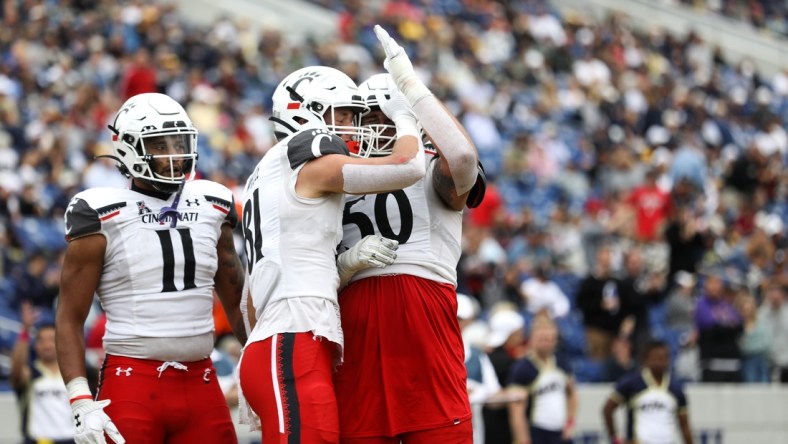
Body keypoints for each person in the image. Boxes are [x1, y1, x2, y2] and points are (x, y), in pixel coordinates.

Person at [238, 63, 426, 444]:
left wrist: (346, 263)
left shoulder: (270, 174)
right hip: (291, 342)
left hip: (286, 338)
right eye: (339, 113)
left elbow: (254, 296)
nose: (350, 124)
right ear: (303, 112)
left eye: (352, 115)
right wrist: (406, 118)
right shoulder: (306, 154)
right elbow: (408, 166)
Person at [56, 92, 248, 444]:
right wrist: (80, 399)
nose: (174, 154)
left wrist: (257, 368)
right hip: (132, 382)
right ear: (129, 148)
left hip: (202, 380)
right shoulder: (100, 212)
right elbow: (69, 315)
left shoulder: (213, 203)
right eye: (161, 145)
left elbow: (236, 301)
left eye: (179, 143)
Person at [332, 25, 485, 443]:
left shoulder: (434, 165)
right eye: (367, 118)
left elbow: (464, 156)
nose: (373, 128)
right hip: (353, 328)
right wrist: (346, 265)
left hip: (423, 321)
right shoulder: (336, 175)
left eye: (383, 116)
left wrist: (411, 89)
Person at [602, 340, 694, 444]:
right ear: (645, 360)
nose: (660, 362)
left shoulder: (675, 388)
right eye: (655, 358)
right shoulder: (632, 383)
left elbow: (684, 426)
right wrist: (614, 438)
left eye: (663, 358)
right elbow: (608, 409)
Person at [10, 302, 74, 444]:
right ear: (35, 345)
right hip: (38, 441)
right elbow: (16, 371)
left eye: (52, 339)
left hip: (71, 440)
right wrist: (25, 330)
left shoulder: (73, 374)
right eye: (41, 340)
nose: (47, 345)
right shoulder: (31, 374)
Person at [508, 315, 577, 444]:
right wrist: (524, 439)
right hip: (537, 431)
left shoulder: (562, 362)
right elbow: (516, 411)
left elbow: (572, 394)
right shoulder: (522, 368)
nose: (547, 343)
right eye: (542, 339)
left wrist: (570, 423)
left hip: (560, 432)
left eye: (551, 339)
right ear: (532, 339)